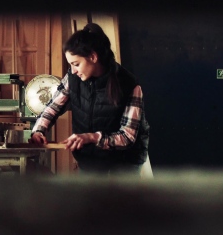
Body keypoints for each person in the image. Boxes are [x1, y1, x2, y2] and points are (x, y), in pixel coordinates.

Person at [31, 22, 150, 176]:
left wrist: (92, 137)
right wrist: (38, 130)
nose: (73, 71)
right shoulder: (73, 78)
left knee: (119, 200)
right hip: (90, 158)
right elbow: (53, 107)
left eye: (76, 64)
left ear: (93, 57)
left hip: (125, 160)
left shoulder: (129, 85)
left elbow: (127, 137)